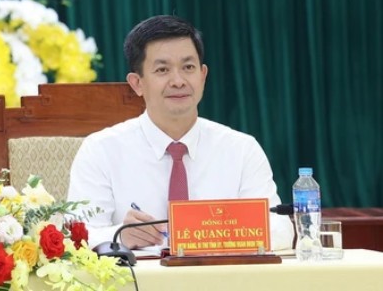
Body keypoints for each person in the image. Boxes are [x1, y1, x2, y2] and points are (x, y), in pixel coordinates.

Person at [67, 15, 293, 251]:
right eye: (162, 69)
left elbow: (281, 232)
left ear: (203, 76)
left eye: (188, 67)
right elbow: (76, 236)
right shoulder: (101, 150)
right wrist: (121, 235)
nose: (178, 81)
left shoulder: (242, 149)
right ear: (137, 83)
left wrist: (210, 235)